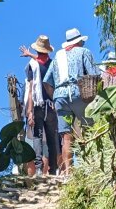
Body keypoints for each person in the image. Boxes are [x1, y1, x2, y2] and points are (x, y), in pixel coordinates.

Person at [44, 28, 99, 177]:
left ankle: (68, 172)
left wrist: (54, 97)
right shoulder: (83, 52)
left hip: (60, 98)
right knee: (88, 131)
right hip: (80, 94)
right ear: (79, 41)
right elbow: (94, 75)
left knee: (66, 136)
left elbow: (47, 82)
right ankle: (90, 167)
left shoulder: (57, 57)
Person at [17, 34, 59, 176]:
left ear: (37, 50)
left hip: (37, 105)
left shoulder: (32, 65)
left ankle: (39, 168)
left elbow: (30, 89)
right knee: (52, 137)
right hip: (51, 105)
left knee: (37, 136)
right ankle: (53, 169)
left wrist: (29, 112)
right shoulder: (53, 64)